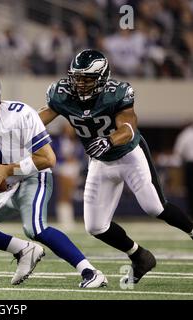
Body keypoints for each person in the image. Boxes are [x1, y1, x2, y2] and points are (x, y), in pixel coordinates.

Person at [39, 49, 193, 285]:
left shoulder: (116, 93)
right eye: (77, 77)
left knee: (154, 207)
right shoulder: (62, 94)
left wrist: (109, 139)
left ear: (101, 78)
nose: (80, 83)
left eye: (87, 78)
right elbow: (39, 118)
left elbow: (129, 125)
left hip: (129, 155)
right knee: (96, 226)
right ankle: (139, 256)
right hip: (100, 162)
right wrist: (18, 126)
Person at [0, 70, 108, 288]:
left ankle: (90, 272)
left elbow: (47, 159)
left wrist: (5, 170)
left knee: (35, 228)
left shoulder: (20, 114)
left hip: (35, 177)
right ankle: (23, 250)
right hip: (7, 185)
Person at [174, 122, 193, 218]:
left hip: (190, 165)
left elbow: (179, 151)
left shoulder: (185, 134)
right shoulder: (186, 134)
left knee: (190, 189)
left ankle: (190, 212)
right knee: (190, 189)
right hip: (190, 164)